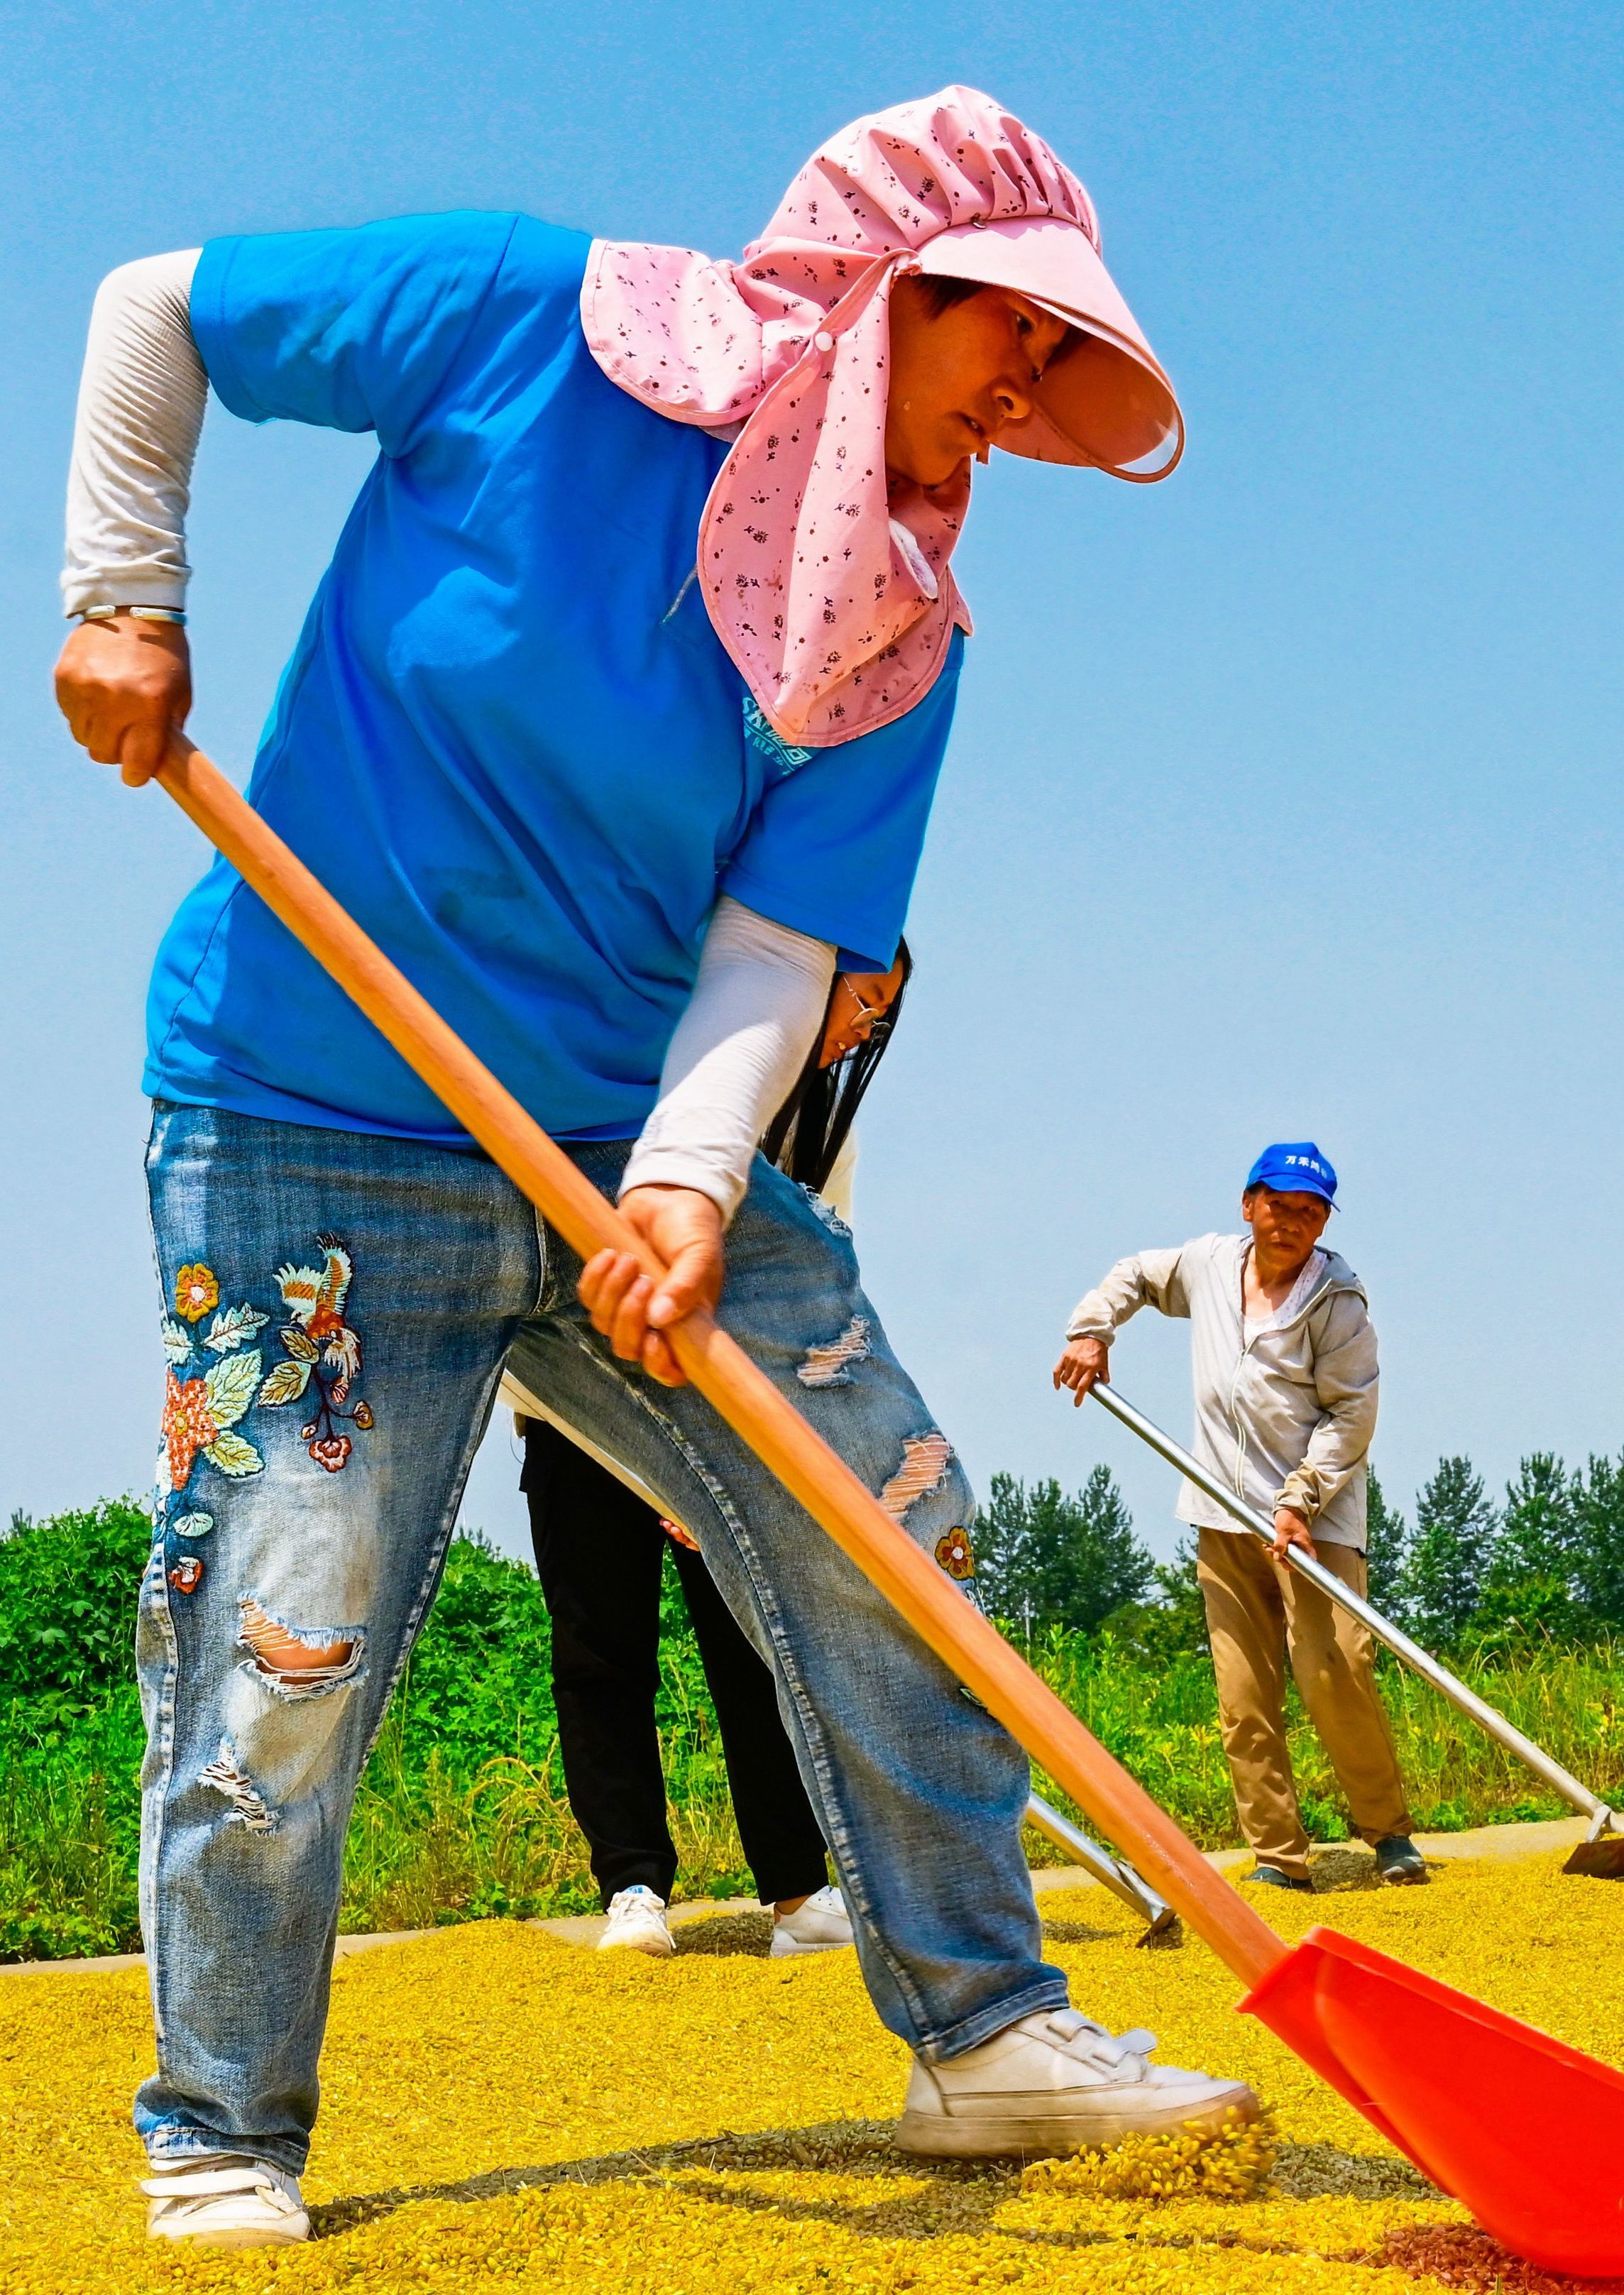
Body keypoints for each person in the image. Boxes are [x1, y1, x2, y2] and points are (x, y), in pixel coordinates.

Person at [57, 91, 1253, 2250]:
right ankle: (221, 2126)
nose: (1013, 429)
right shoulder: (526, 318)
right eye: (1012, 360)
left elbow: (777, 948)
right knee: (283, 1633)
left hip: (616, 1145)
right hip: (302, 1121)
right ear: (900, 291)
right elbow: (161, 311)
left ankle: (985, 2031)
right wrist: (123, 594)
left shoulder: (899, 637)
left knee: (896, 1526)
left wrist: (697, 1186)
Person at [522, 943, 910, 1962]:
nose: (861, 1026)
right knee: (603, 1653)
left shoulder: (831, 1130)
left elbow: (808, 1286)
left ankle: (795, 1891)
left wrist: (720, 1436)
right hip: (581, 1406)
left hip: (729, 1415)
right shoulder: (664, 1069)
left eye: (882, 1014)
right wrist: (642, 1428)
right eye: (858, 998)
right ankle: (635, 1888)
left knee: (755, 1644)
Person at [1051, 1144, 1425, 1892]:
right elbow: (1133, 1274)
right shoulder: (1210, 1264)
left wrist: (1299, 1498)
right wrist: (1093, 1329)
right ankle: (1279, 1856)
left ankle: (1387, 1834)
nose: (1291, 1222)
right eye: (1279, 1204)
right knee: (1244, 1695)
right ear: (1248, 1202)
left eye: (1309, 1211)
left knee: (1335, 1674)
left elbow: (1352, 1413)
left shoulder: (1338, 1301)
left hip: (1311, 1520)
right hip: (1221, 1510)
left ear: (1324, 1221)